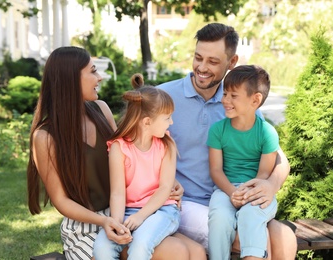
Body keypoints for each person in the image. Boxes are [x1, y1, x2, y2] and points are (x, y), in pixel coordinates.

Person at [27, 46, 205, 260]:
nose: (99, 77)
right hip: (87, 225)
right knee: (176, 253)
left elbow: (130, 156)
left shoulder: (101, 110)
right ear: (71, 78)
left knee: (197, 253)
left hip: (123, 211)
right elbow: (61, 201)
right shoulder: (45, 136)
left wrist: (168, 181)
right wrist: (104, 221)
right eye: (93, 71)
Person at [157, 23, 297, 259]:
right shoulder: (163, 97)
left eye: (213, 62)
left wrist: (271, 185)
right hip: (187, 203)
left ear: (232, 63)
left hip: (236, 198)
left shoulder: (239, 100)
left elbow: (279, 159)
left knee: (285, 237)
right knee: (247, 240)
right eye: (198, 58)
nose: (201, 68)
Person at [93, 74, 195, 259]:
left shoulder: (167, 144)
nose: (171, 122)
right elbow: (117, 193)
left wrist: (141, 216)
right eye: (167, 118)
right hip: (128, 211)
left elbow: (165, 188)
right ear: (147, 122)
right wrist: (117, 224)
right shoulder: (118, 148)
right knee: (102, 248)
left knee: (141, 244)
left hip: (163, 210)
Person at [207, 65, 279, 260]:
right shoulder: (217, 130)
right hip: (225, 190)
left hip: (258, 190)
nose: (225, 100)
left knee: (250, 215)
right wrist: (233, 193)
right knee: (219, 218)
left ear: (255, 100)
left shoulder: (267, 133)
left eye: (233, 96)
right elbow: (216, 170)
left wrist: (248, 193)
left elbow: (264, 173)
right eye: (225, 94)